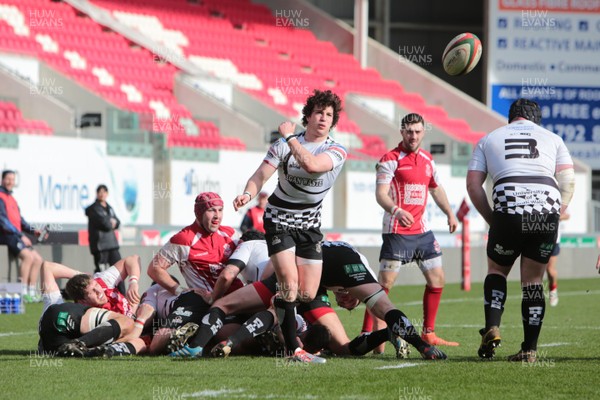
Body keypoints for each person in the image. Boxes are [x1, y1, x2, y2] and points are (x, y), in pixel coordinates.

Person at [179, 240, 446, 361]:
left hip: (308, 267)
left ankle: (196, 347)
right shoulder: (360, 269)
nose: (346, 305)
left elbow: (276, 270)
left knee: (229, 305)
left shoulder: (282, 246)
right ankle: (422, 346)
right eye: (347, 301)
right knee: (347, 344)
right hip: (319, 268)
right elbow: (382, 306)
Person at [233, 89, 347, 363]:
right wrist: (248, 194)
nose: (323, 118)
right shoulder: (282, 146)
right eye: (318, 112)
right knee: (289, 285)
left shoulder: (336, 149)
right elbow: (260, 175)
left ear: (333, 122)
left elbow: (311, 165)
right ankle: (292, 348)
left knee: (306, 293)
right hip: (279, 220)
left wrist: (290, 137)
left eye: (329, 115)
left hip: (309, 225)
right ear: (307, 116)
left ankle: (275, 316)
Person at [466, 98, 575, 363]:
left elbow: (473, 185)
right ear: (536, 119)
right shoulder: (553, 138)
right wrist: (558, 212)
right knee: (533, 282)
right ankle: (530, 349)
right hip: (546, 209)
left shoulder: (488, 138)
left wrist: (494, 220)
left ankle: (492, 325)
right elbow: (568, 181)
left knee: (496, 270)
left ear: (511, 118)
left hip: (509, 208)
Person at [364, 113, 459, 350]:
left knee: (437, 279)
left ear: (424, 132)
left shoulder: (428, 160)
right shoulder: (390, 159)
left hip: (422, 233)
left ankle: (429, 333)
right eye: (408, 131)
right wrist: (396, 210)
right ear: (401, 132)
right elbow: (380, 194)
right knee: (383, 285)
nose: (413, 135)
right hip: (397, 231)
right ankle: (367, 334)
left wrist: (450, 212)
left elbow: (436, 189)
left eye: (417, 131)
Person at [147, 191, 242, 357]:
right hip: (199, 299)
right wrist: (179, 290)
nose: (217, 216)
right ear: (198, 212)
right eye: (212, 210)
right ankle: (191, 333)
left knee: (232, 340)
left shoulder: (231, 235)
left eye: (220, 210)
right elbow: (154, 269)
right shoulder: (184, 239)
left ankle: (196, 336)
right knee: (157, 344)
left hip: (230, 298)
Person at [38, 261, 140, 356]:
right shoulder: (99, 283)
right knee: (128, 324)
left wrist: (133, 282)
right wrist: (81, 276)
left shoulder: (101, 279)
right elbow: (47, 266)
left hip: (50, 338)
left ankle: (82, 348)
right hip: (70, 317)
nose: (99, 291)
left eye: (96, 284)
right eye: (92, 291)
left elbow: (133, 259)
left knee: (68, 351)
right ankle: (82, 344)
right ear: (82, 302)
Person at [0, 170, 45, 303]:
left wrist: (33, 230)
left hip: (16, 235)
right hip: (7, 235)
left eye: (12, 179)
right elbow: (3, 221)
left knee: (38, 259)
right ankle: (22, 292)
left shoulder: (12, 198)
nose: (10, 182)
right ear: (2, 180)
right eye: (8, 179)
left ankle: (31, 292)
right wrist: (20, 235)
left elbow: (20, 221)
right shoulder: (1, 196)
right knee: (28, 257)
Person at [85, 185, 122, 274]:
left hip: (112, 244)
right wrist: (111, 222)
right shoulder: (93, 209)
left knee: (119, 270)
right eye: (100, 192)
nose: (102, 194)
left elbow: (117, 222)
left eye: (104, 192)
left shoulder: (109, 208)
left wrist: (113, 222)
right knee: (102, 273)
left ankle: (120, 289)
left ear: (107, 193)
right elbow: (105, 224)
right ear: (97, 194)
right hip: (100, 246)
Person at [546, 211, 569, 307]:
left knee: (550, 269)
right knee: (536, 270)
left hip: (553, 240)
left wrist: (553, 217)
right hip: (537, 238)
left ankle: (553, 290)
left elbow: (567, 215)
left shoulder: (559, 199)